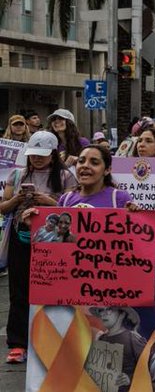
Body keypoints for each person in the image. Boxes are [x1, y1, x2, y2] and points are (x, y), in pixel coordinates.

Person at [1, 144, 138, 392]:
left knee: (105, 357)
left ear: (106, 169)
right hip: (68, 292)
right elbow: (54, 241)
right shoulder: (66, 199)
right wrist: (34, 223)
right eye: (83, 161)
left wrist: (136, 216)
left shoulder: (119, 199)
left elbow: (136, 239)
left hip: (105, 292)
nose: (86, 166)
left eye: (94, 162)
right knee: (57, 355)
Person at [2, 131, 77, 364]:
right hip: (21, 238)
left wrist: (48, 202)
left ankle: (55, 340)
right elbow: (3, 207)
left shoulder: (66, 177)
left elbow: (74, 208)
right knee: (19, 290)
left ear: (53, 155)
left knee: (53, 290)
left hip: (54, 243)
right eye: (33, 154)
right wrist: (18, 200)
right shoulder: (18, 174)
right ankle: (17, 343)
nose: (36, 159)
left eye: (41, 155)